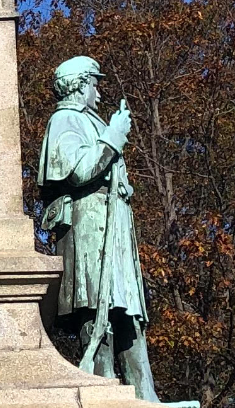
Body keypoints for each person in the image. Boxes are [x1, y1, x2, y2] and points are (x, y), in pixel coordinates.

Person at [37, 56, 160, 402]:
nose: (99, 92)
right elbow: (79, 170)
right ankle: (103, 388)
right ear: (79, 84)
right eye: (94, 83)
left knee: (127, 309)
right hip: (89, 225)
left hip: (112, 223)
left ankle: (145, 393)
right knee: (96, 307)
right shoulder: (65, 120)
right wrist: (113, 136)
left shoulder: (90, 119)